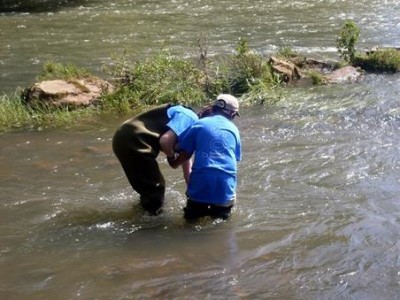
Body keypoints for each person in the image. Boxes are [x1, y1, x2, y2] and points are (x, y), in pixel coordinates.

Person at [112, 103, 198, 215]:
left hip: (123, 136)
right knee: (156, 188)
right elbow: (165, 141)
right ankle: (152, 227)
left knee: (149, 188)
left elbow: (186, 160)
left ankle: (142, 214)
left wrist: (191, 191)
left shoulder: (184, 119)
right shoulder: (191, 118)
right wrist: (172, 156)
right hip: (135, 141)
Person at [169, 94, 242, 221]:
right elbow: (234, 158)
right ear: (232, 114)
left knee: (191, 222)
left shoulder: (199, 124)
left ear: (214, 108)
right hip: (226, 184)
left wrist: (172, 160)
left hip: (202, 180)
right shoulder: (234, 130)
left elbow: (182, 152)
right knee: (220, 224)